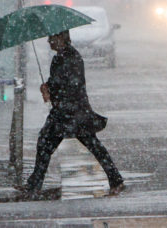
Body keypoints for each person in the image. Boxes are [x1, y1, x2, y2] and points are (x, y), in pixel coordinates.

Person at [17, 30, 125, 195]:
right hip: (70, 111)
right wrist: (48, 86)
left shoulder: (69, 57)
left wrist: (50, 88)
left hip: (70, 112)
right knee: (82, 144)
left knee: (48, 143)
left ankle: (35, 184)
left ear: (61, 38)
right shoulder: (65, 56)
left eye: (51, 38)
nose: (49, 42)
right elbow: (62, 82)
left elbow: (69, 84)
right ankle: (115, 179)